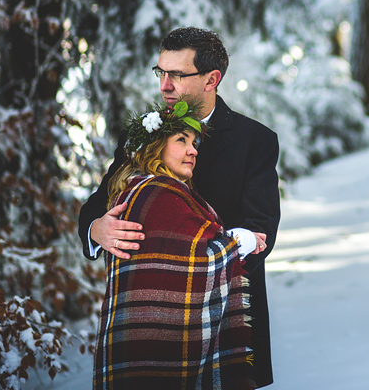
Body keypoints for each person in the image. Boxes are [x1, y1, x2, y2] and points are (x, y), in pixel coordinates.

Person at [79, 27, 280, 387]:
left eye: (176, 75)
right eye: (160, 72)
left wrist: (210, 257)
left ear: (211, 79)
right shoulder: (143, 135)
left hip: (224, 323)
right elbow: (96, 205)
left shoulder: (254, 140)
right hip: (150, 321)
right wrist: (97, 229)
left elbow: (260, 229)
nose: (164, 86)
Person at [94, 99, 254, 388]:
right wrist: (242, 241)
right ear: (155, 147)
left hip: (133, 341)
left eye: (194, 143)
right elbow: (202, 261)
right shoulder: (158, 195)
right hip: (160, 344)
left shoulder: (142, 190)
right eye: (182, 140)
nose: (193, 150)